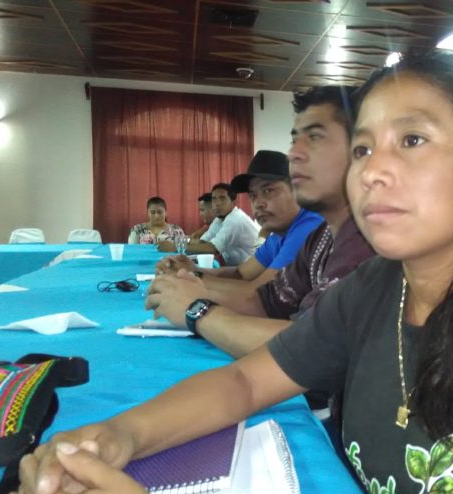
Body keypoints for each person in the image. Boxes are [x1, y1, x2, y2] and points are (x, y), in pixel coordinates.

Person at [5, 52, 453, 494]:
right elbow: (245, 381)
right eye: (364, 150)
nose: (374, 173)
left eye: (413, 140)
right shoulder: (378, 286)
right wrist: (119, 437)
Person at [144, 86, 375, 359]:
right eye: (294, 141)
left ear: (362, 151)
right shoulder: (322, 235)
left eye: (315, 137)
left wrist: (197, 309)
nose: (295, 155)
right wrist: (186, 284)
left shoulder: (367, 241)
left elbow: (310, 347)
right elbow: (263, 300)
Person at [157, 150, 323, 290]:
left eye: (268, 190)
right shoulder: (279, 234)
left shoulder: (309, 227)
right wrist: (193, 271)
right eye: (253, 195)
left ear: (298, 190)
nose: (258, 203)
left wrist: (190, 280)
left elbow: (258, 293)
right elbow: (241, 274)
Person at [186, 183, 259, 265]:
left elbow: (213, 248)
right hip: (236, 268)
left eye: (222, 198)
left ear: (234, 202)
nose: (217, 203)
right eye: (214, 199)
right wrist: (181, 242)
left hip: (253, 271)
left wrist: (177, 247)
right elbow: (203, 241)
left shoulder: (235, 220)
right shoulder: (219, 218)